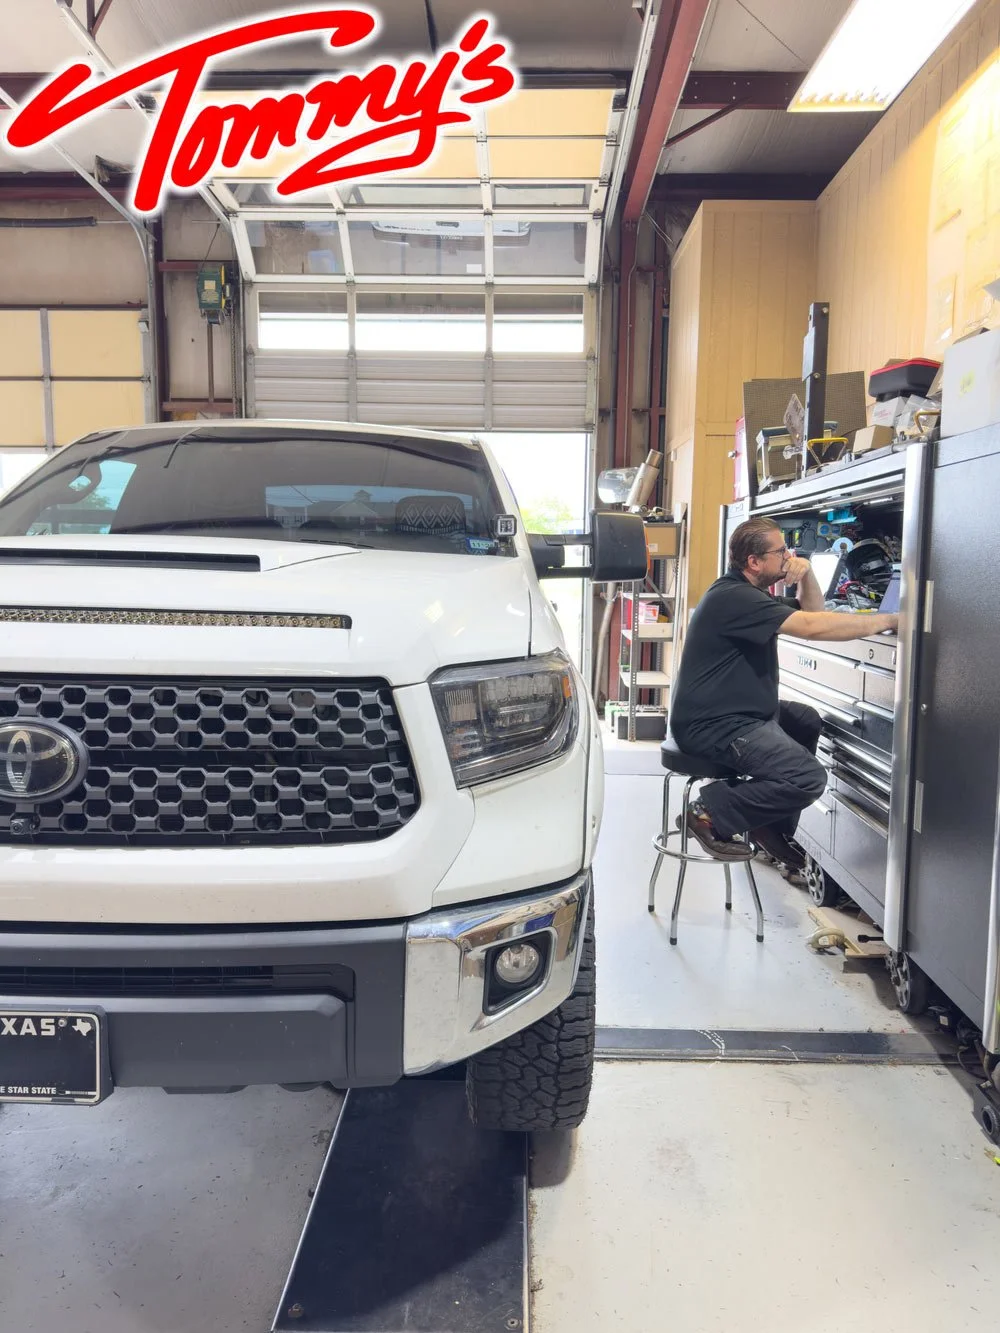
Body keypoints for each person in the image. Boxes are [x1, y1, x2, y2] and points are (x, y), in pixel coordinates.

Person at [668, 517, 899, 864]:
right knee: (807, 778)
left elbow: (813, 610)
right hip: (714, 725)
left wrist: (806, 573)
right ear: (754, 562)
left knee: (804, 720)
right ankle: (706, 813)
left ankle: (768, 826)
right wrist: (890, 619)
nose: (788, 556)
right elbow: (813, 627)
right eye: (781, 551)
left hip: (741, 714)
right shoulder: (735, 598)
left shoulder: (749, 595)